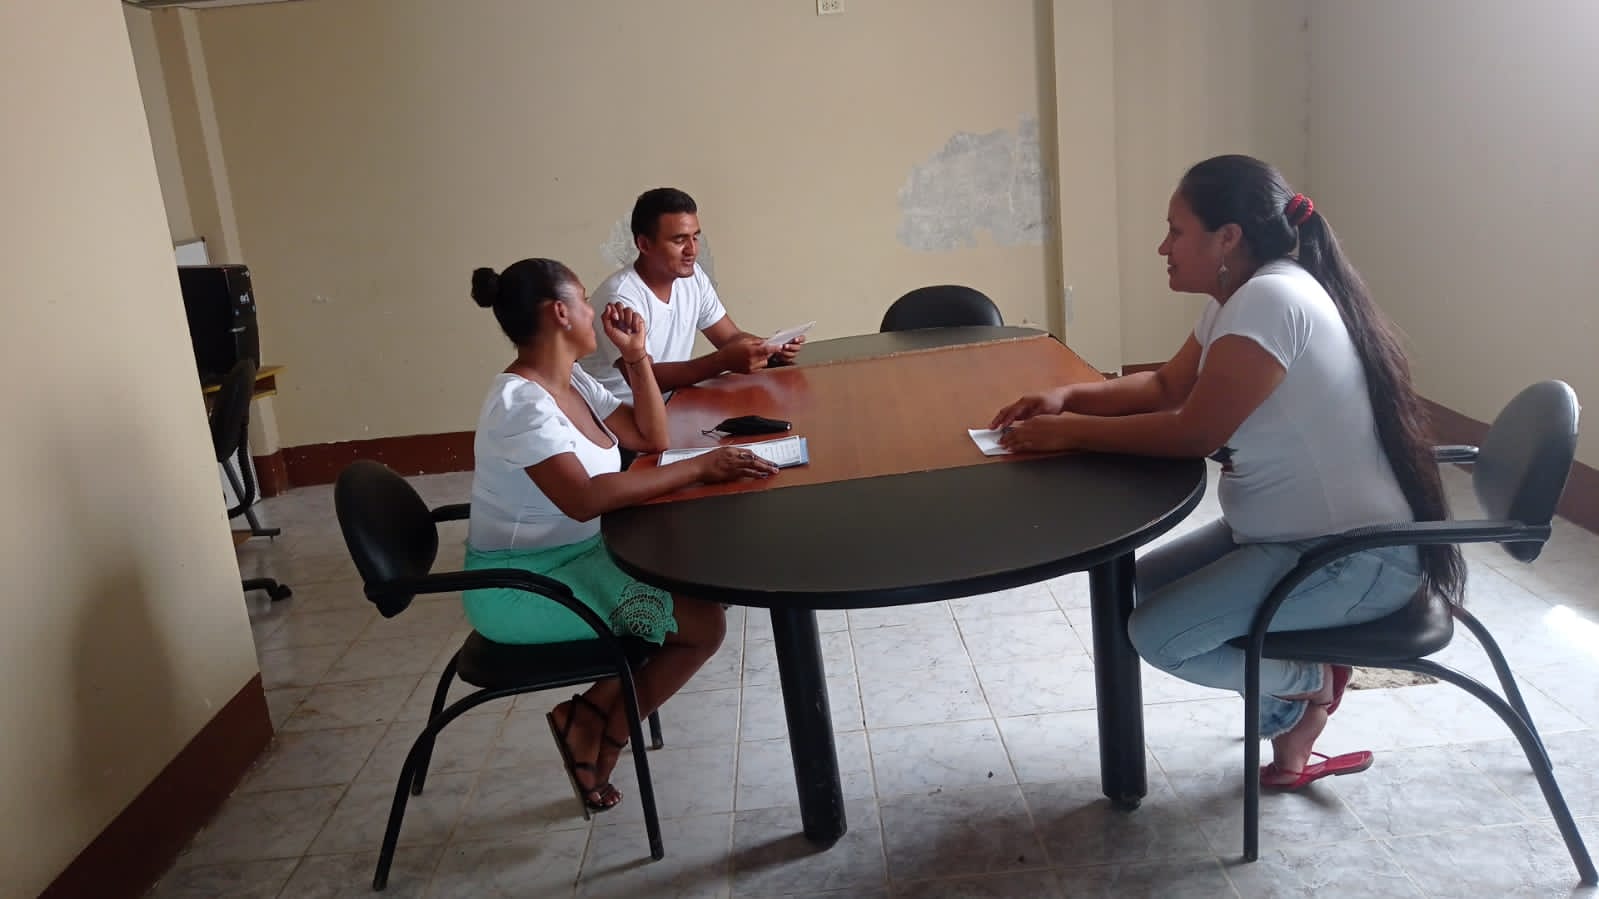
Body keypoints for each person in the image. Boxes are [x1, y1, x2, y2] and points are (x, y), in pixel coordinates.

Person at [989, 154, 1465, 789]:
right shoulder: (1241, 296)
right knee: (1137, 587)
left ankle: (1307, 686)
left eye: (1176, 231)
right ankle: (1293, 711)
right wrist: (1066, 398)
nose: (1163, 247)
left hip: (1353, 559)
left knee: (1158, 635)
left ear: (1228, 237)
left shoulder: (1267, 300)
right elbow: (1165, 386)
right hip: (1291, 538)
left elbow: (1194, 433)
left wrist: (1069, 432)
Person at [465, 257, 779, 813]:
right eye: (584, 301)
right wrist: (700, 468)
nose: (593, 311)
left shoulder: (573, 379)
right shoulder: (521, 405)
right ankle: (601, 735)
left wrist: (636, 356)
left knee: (696, 589)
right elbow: (584, 497)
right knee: (702, 626)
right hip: (520, 585)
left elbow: (650, 436)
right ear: (560, 313)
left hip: (579, 553)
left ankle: (587, 719)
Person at [579, 187, 804, 403]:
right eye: (679, 240)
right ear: (644, 244)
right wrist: (722, 361)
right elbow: (644, 378)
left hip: (674, 404)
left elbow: (729, 338)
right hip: (619, 418)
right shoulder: (620, 298)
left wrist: (769, 349)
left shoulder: (693, 277)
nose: (692, 250)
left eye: (695, 237)